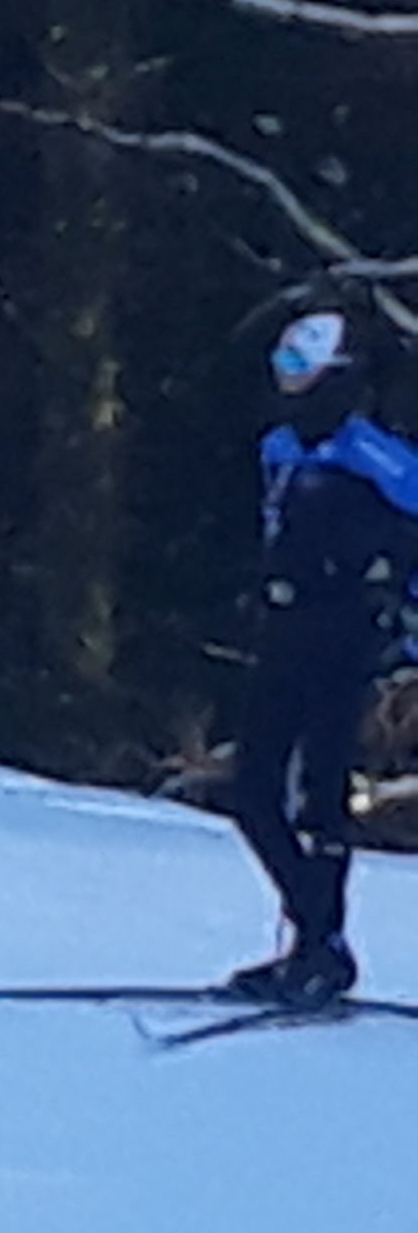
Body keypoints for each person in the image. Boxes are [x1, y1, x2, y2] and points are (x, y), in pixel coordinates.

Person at [220, 310, 418, 1005]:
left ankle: (319, 947)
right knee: (252, 791)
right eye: (283, 371)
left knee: (323, 793)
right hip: (285, 628)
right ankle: (316, 938)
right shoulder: (279, 448)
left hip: (346, 636)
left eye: (301, 372)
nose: (289, 386)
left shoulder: (374, 454)